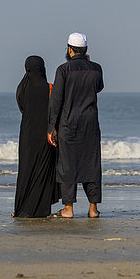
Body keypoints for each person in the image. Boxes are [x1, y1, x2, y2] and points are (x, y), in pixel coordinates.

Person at [47, 33, 104, 218]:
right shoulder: (96, 69)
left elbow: (56, 100)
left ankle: (68, 209)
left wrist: (51, 127)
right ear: (86, 50)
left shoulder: (63, 70)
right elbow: (99, 87)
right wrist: (90, 63)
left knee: (67, 165)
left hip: (68, 124)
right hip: (90, 124)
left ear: (69, 49)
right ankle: (93, 209)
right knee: (92, 164)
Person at [13, 56, 58, 217]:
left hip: (27, 134)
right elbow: (55, 110)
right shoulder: (49, 88)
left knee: (26, 170)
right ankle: (40, 209)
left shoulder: (22, 88)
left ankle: (21, 209)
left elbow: (22, 108)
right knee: (43, 170)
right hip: (45, 134)